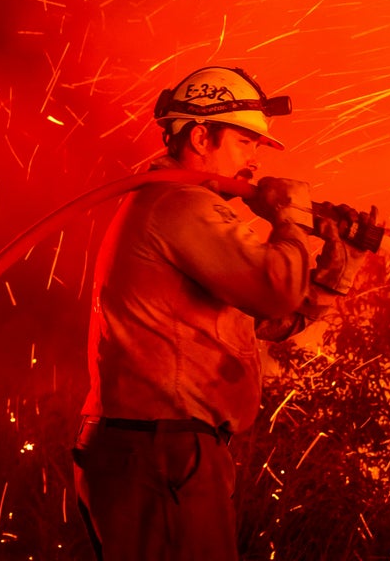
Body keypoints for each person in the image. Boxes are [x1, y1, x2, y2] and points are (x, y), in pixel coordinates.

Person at [73, 66, 370, 561]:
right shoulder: (179, 205)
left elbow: (273, 318)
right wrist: (292, 217)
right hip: (159, 448)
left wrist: (343, 261)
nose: (253, 160)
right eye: (244, 140)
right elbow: (274, 291)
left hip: (160, 448)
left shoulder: (186, 210)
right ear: (200, 135)